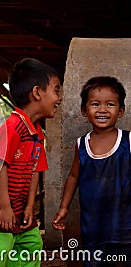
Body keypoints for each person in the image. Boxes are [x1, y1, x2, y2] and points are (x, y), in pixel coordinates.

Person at [0, 58, 62, 266]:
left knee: (32, 246)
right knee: (1, 251)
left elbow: (36, 170)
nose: (59, 98)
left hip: (20, 208)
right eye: (56, 90)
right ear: (37, 92)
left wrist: (30, 205)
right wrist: (6, 207)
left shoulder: (38, 134)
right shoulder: (12, 127)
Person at [52, 76, 131, 266]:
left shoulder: (128, 141)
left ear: (120, 111)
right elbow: (73, 176)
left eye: (110, 104)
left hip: (125, 228)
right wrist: (64, 207)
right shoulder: (82, 145)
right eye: (95, 104)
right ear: (84, 111)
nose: (102, 110)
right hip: (93, 228)